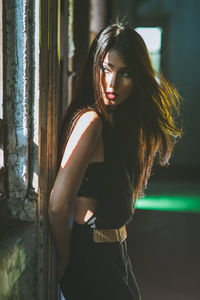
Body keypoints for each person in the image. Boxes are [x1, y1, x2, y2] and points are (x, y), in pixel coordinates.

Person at [48, 23, 182, 300]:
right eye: (106, 69)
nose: (112, 83)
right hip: (93, 261)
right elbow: (58, 205)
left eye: (125, 73)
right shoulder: (91, 121)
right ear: (94, 67)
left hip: (115, 254)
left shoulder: (118, 124)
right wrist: (63, 260)